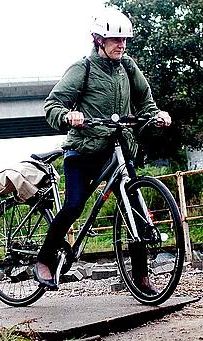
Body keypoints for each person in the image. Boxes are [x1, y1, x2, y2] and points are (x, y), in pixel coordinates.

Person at [35, 9, 172, 292]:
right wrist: (68, 116)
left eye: (124, 40)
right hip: (82, 152)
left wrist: (155, 114)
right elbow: (52, 106)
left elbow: (145, 99)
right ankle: (44, 260)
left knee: (135, 209)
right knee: (74, 205)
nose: (121, 45)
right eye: (114, 40)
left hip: (117, 149)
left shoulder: (128, 67)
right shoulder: (82, 68)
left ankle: (141, 278)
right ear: (98, 40)